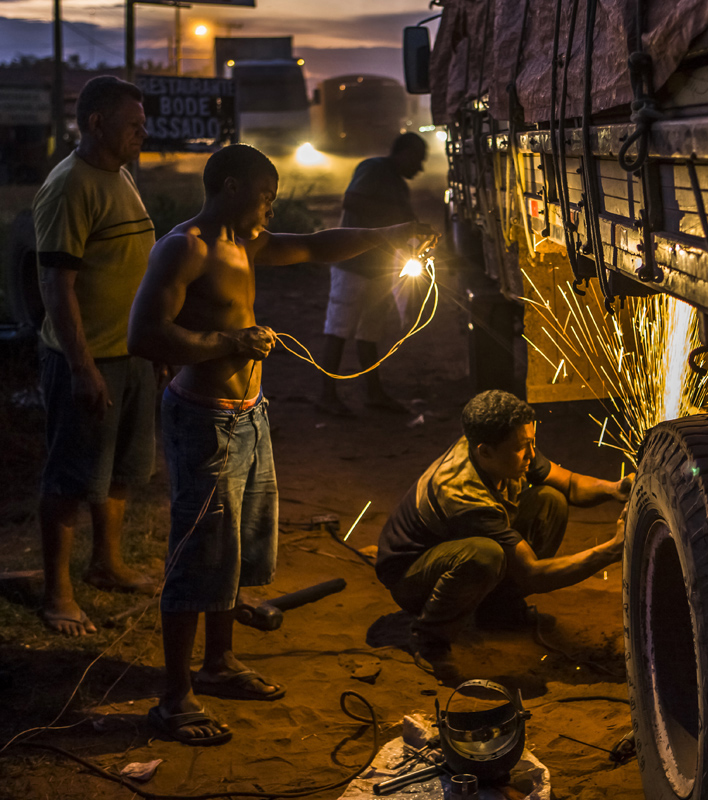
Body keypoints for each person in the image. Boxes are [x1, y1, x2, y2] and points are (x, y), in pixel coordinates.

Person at [127, 143, 437, 746]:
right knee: (197, 556)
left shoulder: (245, 244)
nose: (271, 209)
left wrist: (390, 233)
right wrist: (229, 343)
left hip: (248, 416)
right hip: (204, 420)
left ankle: (217, 665)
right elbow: (145, 335)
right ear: (236, 186)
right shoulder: (185, 247)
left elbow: (318, 244)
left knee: (232, 550)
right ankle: (173, 698)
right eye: (266, 197)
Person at [374, 390, 632, 676]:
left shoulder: (501, 447)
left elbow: (569, 485)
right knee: (485, 556)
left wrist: (614, 488)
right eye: (523, 448)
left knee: (551, 500)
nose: (532, 455)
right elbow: (533, 573)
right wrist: (611, 550)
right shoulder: (463, 496)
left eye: (532, 443)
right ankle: (429, 637)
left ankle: (497, 609)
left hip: (449, 549)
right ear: (485, 451)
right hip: (410, 577)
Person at [32, 75, 158, 637]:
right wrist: (82, 367)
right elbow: (56, 286)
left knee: (124, 472)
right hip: (87, 359)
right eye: (132, 123)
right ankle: (57, 594)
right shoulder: (70, 186)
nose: (142, 130)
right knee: (69, 479)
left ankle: (106, 564)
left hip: (132, 354)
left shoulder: (121, 176)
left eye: (142, 122)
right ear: (95, 123)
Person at [316, 132, 428, 417]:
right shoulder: (374, 168)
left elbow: (408, 223)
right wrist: (395, 222)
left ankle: (373, 394)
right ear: (402, 153)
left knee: (369, 333)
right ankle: (326, 396)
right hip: (352, 265)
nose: (420, 168)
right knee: (338, 330)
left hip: (378, 268)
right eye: (417, 159)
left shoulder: (398, 184)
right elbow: (351, 201)